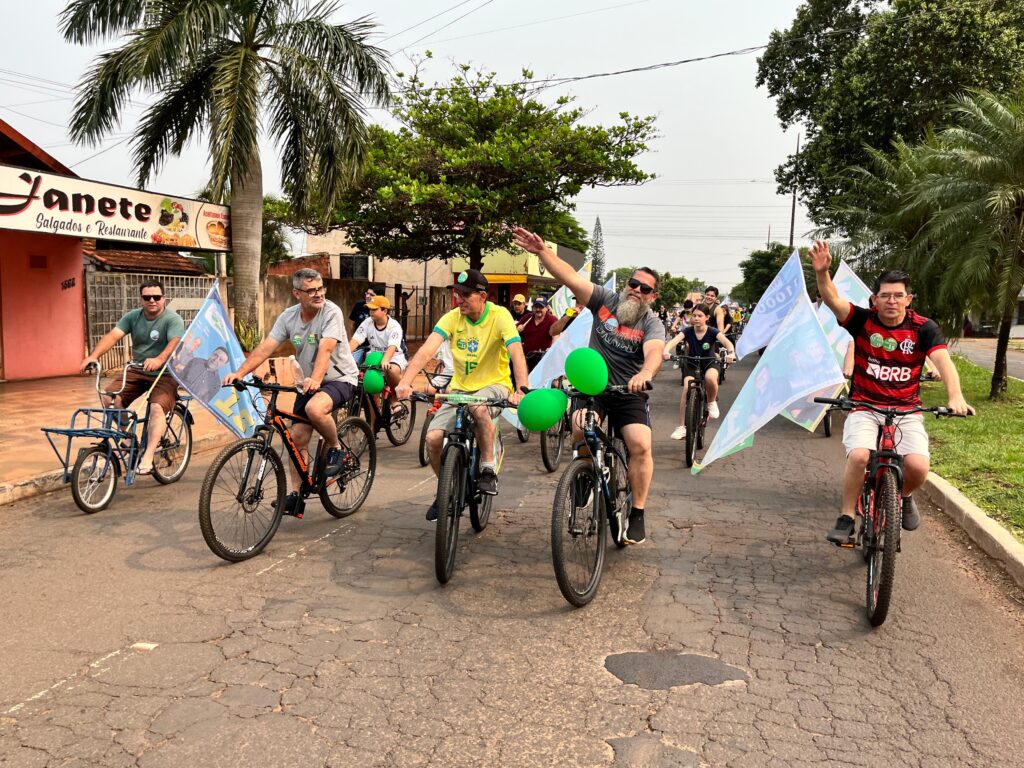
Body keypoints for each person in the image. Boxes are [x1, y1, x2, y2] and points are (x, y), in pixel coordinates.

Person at [809, 240, 973, 545]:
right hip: (865, 406)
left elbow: (943, 362)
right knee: (859, 456)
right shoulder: (862, 321)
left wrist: (956, 396)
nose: (892, 301)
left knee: (918, 467)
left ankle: (904, 496)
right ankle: (846, 517)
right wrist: (822, 273)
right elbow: (832, 299)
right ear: (875, 299)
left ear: (908, 299)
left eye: (899, 295)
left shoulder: (924, 328)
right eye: (885, 295)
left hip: (907, 409)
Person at [513, 226, 666, 546]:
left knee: (640, 444)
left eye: (645, 289)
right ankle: (583, 475)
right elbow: (570, 277)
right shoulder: (605, 301)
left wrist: (645, 373)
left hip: (628, 391)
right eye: (633, 283)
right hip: (592, 387)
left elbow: (653, 353)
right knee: (580, 427)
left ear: (652, 296)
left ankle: (637, 511)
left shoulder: (651, 323)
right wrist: (542, 251)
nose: (636, 290)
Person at [224, 268, 359, 516]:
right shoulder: (288, 317)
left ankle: (335, 448)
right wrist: (240, 373)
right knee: (296, 438)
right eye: (311, 290)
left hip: (340, 378)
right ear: (297, 293)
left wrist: (316, 379)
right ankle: (296, 495)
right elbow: (267, 346)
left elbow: (326, 349)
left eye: (320, 288)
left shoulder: (331, 312)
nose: (318, 294)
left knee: (314, 408)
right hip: (309, 382)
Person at [396, 269, 529, 520]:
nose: (460, 299)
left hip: (494, 385)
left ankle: (488, 467)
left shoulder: (500, 316)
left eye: (466, 295)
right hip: (459, 388)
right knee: (434, 439)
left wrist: (521, 389)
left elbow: (516, 354)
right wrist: (405, 381)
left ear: (483, 296)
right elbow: (426, 350)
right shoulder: (452, 318)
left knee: (477, 409)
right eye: (457, 294)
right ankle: (446, 488)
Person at [81, 280, 184, 475]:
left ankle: (148, 456)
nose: (152, 300)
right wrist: (93, 356)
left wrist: (160, 359)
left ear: (164, 298)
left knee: (156, 408)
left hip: (165, 373)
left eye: (156, 297)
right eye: (147, 297)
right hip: (138, 369)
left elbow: (175, 343)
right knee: (109, 396)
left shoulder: (172, 319)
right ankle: (128, 436)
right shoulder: (133, 317)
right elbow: (113, 336)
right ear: (141, 299)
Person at [663, 304, 736, 439]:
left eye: (700, 316)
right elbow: (674, 341)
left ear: (707, 318)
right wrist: (666, 351)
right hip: (691, 363)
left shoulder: (713, 331)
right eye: (694, 315)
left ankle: (711, 402)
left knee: (710, 378)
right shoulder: (688, 331)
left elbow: (727, 342)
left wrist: (731, 353)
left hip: (709, 362)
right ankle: (681, 427)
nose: (696, 318)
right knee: (686, 388)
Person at [349, 294, 407, 406]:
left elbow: (392, 346)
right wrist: (345, 355)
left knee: (391, 370)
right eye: (370, 309)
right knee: (367, 384)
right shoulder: (367, 322)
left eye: (374, 309)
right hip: (374, 356)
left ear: (385, 311)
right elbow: (356, 340)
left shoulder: (394, 326)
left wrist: (385, 360)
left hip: (394, 356)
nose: (371, 312)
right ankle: (374, 417)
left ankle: (395, 399)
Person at [516, 295, 558, 370]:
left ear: (547, 308)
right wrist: (517, 329)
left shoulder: (552, 319)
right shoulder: (527, 318)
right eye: (536, 307)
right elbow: (513, 331)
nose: (538, 309)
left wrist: (552, 350)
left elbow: (555, 336)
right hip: (527, 356)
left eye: (541, 307)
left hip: (543, 357)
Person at [349, 287, 377, 365]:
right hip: (359, 345)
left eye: (371, 294)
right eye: (367, 293)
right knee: (352, 365)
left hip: (374, 348)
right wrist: (352, 343)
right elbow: (352, 325)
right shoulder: (358, 306)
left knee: (371, 367)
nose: (368, 296)